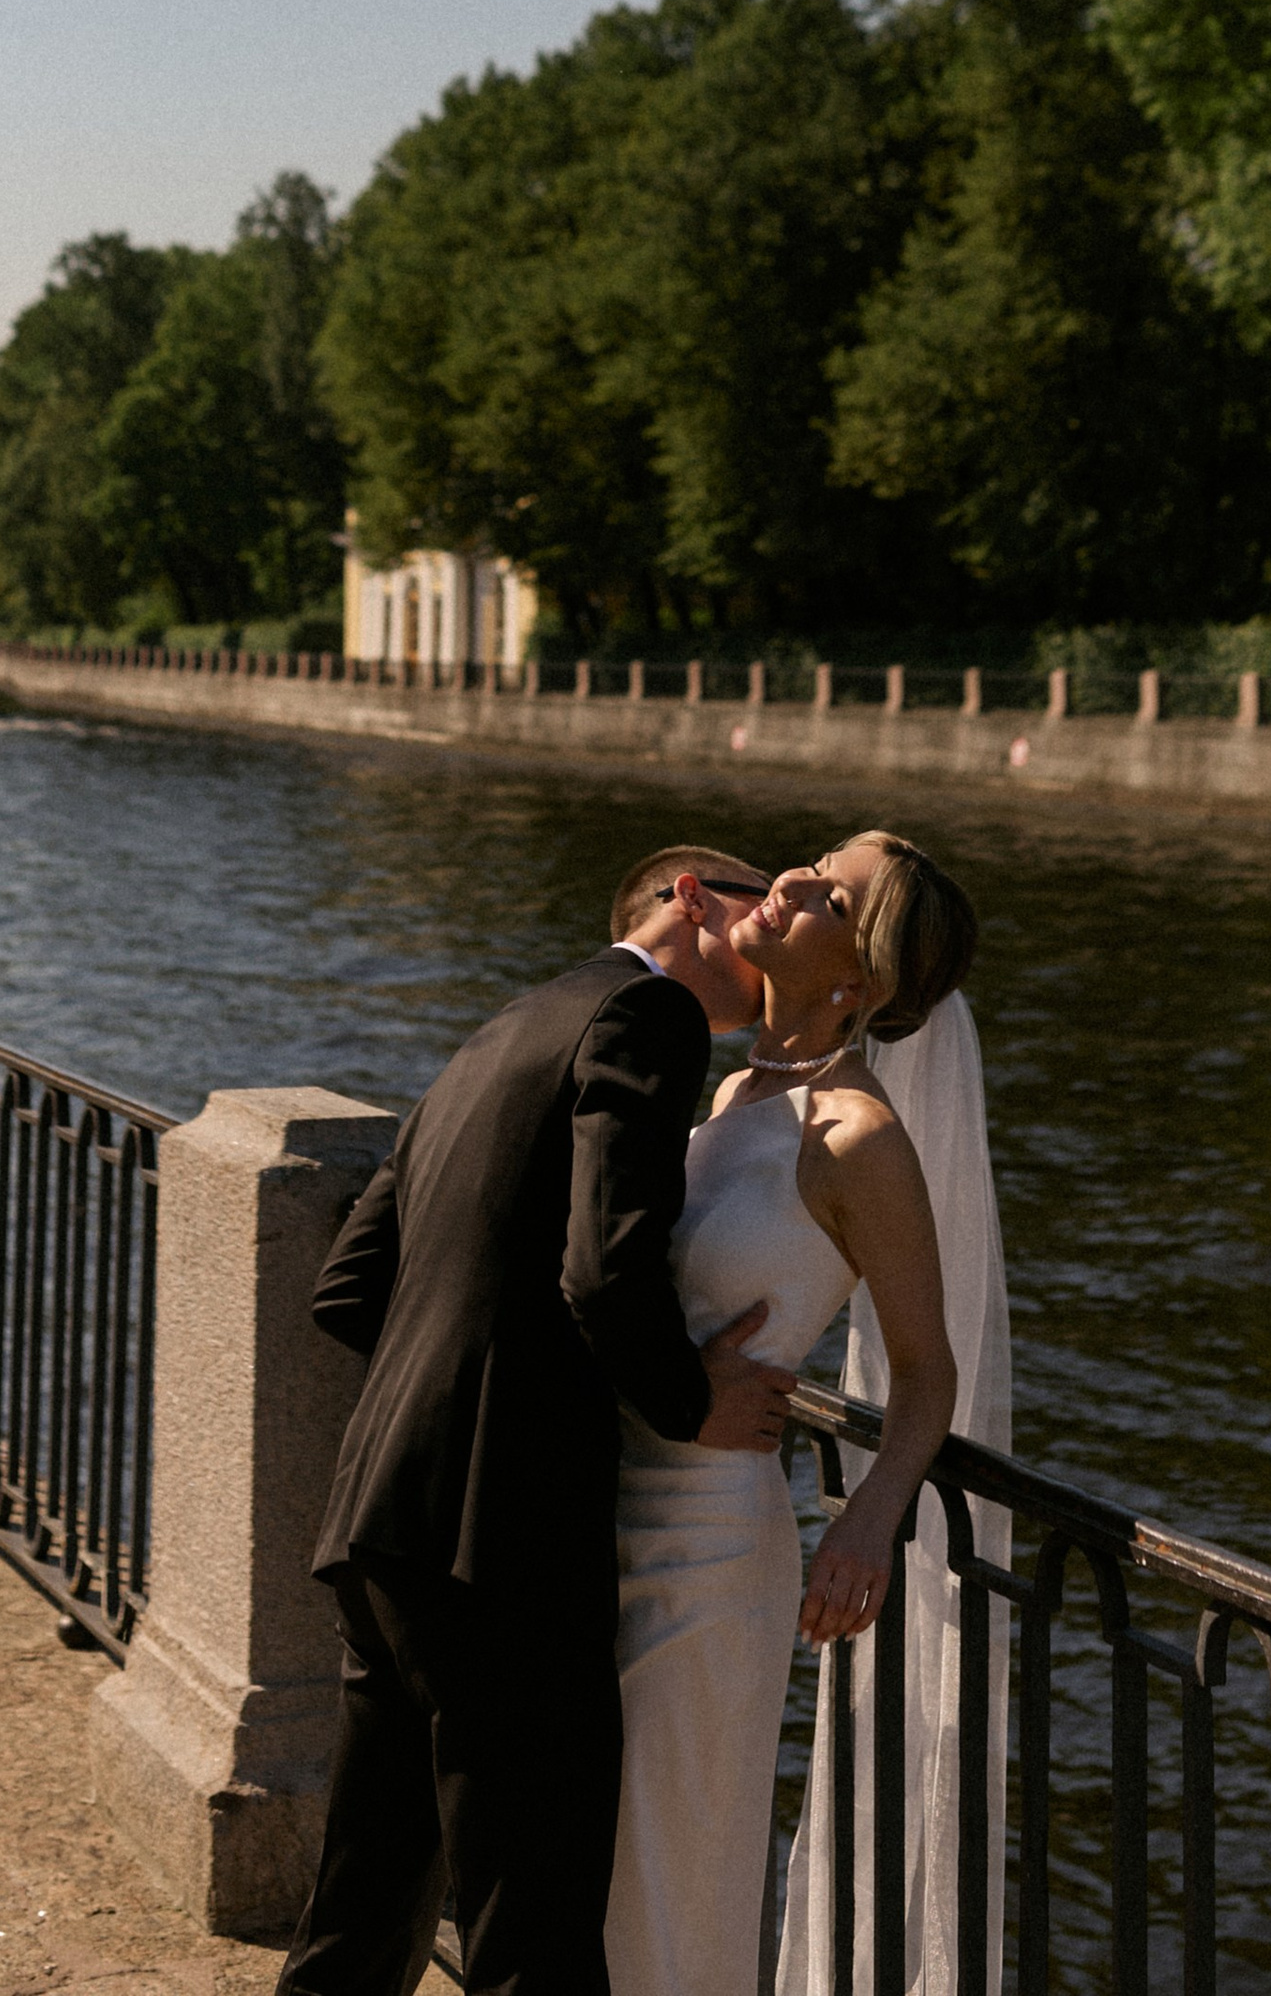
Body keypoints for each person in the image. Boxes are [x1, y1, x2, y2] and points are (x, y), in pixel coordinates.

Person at [275, 843, 799, 1996]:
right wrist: (688, 1402)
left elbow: (348, 1290)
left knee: (362, 1911)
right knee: (534, 1928)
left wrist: (460, 1391)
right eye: (765, 899)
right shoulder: (648, 1014)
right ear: (691, 900)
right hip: (500, 1538)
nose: (782, 929)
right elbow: (604, 1275)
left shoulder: (501, 1030)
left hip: (383, 1511)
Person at [607, 829, 992, 1996]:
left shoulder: (856, 1136)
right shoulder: (724, 1088)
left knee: (666, 1878)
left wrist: (869, 1520)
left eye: (828, 894)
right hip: (611, 1505)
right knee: (586, 1864)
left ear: (854, 983)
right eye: (808, 864)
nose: (785, 881)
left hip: (709, 1550)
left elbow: (926, 1369)